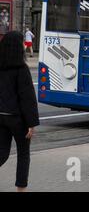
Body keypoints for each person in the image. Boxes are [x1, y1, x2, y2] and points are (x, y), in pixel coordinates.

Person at [0, 31, 39, 192]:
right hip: (18, 119)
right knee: (23, 154)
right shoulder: (21, 69)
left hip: (1, 116)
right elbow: (27, 97)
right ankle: (21, 188)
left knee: (1, 152)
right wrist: (31, 124)